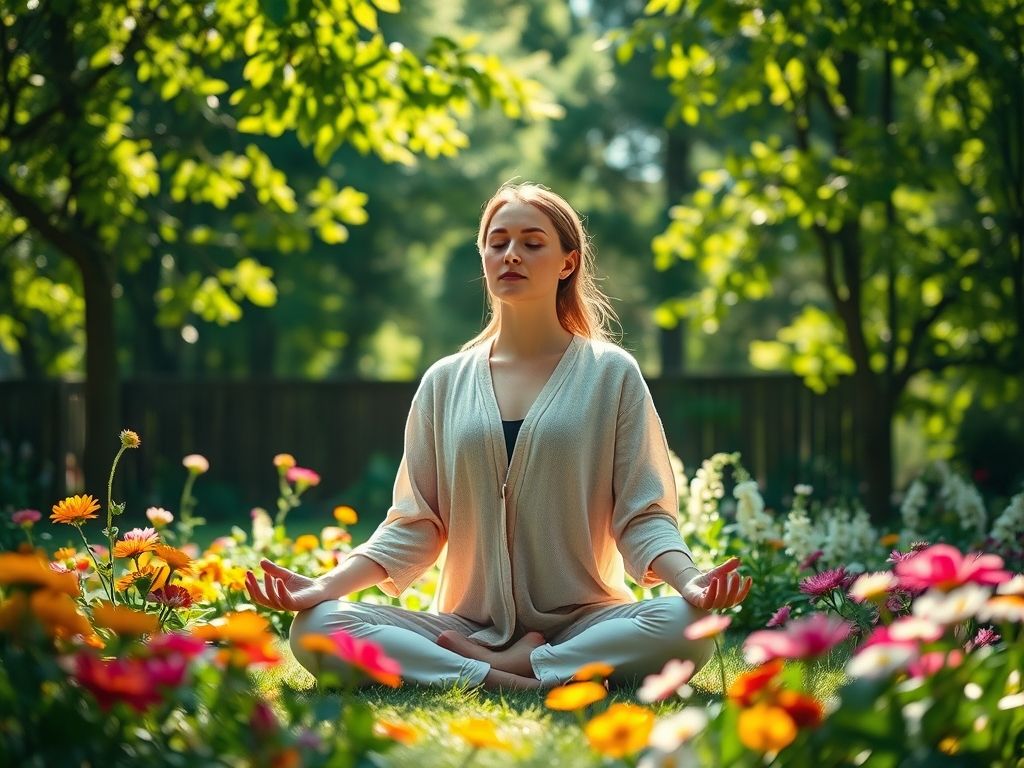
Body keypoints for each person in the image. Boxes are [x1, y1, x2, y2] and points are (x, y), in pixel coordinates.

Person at [245, 182, 751, 690]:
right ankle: (502, 674)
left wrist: (690, 581)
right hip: (464, 627)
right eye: (498, 242)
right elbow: (415, 523)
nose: (511, 254)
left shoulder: (610, 374)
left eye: (532, 243)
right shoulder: (444, 382)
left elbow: (643, 515)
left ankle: (512, 666)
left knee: (687, 625)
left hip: (586, 622)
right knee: (317, 627)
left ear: (567, 263)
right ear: (484, 256)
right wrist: (325, 586)